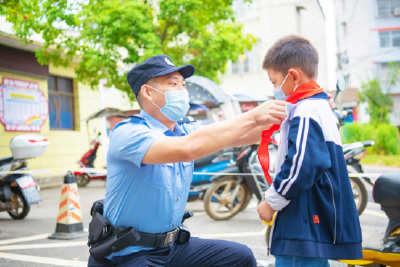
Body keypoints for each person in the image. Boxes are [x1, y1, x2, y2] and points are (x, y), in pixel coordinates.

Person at [88, 55, 287, 267]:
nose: (182, 91)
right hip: (128, 254)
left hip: (172, 247)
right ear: (148, 92)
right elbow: (186, 149)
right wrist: (253, 116)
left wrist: (298, 108)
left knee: (241, 257)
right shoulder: (128, 132)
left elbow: (247, 134)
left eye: (184, 85)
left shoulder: (184, 130)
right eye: (173, 84)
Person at [256, 35, 363, 267]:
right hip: (309, 220)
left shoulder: (306, 110)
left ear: (293, 76)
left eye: (274, 82)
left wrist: (271, 201)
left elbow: (302, 164)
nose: (274, 89)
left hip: (303, 220)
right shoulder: (318, 106)